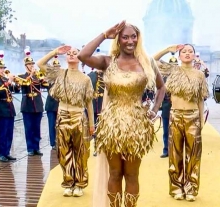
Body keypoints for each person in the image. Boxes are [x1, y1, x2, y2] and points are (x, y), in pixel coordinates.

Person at [78, 20, 166, 207]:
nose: (129, 41)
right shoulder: (108, 62)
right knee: (115, 173)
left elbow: (162, 87)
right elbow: (83, 55)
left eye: (133, 36)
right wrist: (104, 34)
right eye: (125, 37)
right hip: (112, 125)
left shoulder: (147, 62)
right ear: (118, 39)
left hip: (137, 126)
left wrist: (155, 110)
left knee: (132, 174)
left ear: (138, 38)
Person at [153, 44, 209, 201]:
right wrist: (166, 49)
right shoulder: (172, 70)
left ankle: (191, 188)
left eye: (190, 52)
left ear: (194, 55)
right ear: (179, 55)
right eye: (184, 52)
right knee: (175, 154)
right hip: (175, 116)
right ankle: (176, 187)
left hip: (193, 116)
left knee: (193, 155)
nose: (187, 54)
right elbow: (153, 61)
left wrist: (200, 119)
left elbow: (200, 99)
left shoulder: (199, 75)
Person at [38, 45, 95, 197]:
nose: (71, 55)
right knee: (63, 152)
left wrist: (91, 124)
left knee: (81, 153)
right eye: (69, 53)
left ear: (80, 57)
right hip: (62, 115)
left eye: (75, 53)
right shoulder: (59, 74)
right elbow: (40, 65)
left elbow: (89, 102)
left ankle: (80, 184)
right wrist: (54, 52)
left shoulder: (86, 79)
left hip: (78, 117)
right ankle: (68, 183)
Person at [17, 48, 48, 156]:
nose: (31, 66)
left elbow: (46, 85)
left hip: (38, 104)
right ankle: (30, 148)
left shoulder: (37, 75)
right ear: (26, 66)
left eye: (32, 64)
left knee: (37, 127)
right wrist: (31, 75)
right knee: (29, 127)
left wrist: (42, 78)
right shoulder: (22, 76)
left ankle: (37, 147)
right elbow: (24, 84)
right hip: (27, 105)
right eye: (29, 64)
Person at [0, 59, 20, 162]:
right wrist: (9, 82)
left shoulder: (5, 79)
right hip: (1, 107)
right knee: (2, 132)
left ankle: (7, 152)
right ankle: (1, 153)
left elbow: (14, 90)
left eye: (3, 68)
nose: (2, 70)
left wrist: (16, 84)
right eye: (0, 68)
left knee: (9, 132)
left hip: (9, 107)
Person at [152, 53, 179, 158]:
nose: (174, 67)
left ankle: (177, 150)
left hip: (179, 107)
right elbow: (160, 91)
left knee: (178, 131)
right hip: (167, 107)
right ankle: (166, 150)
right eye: (172, 65)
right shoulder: (163, 78)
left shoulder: (181, 77)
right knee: (166, 131)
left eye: (176, 65)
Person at [44, 55, 61, 150]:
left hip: (60, 105)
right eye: (55, 67)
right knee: (52, 125)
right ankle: (53, 142)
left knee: (60, 124)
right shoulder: (49, 78)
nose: (57, 69)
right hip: (51, 105)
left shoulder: (62, 78)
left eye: (58, 67)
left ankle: (59, 140)